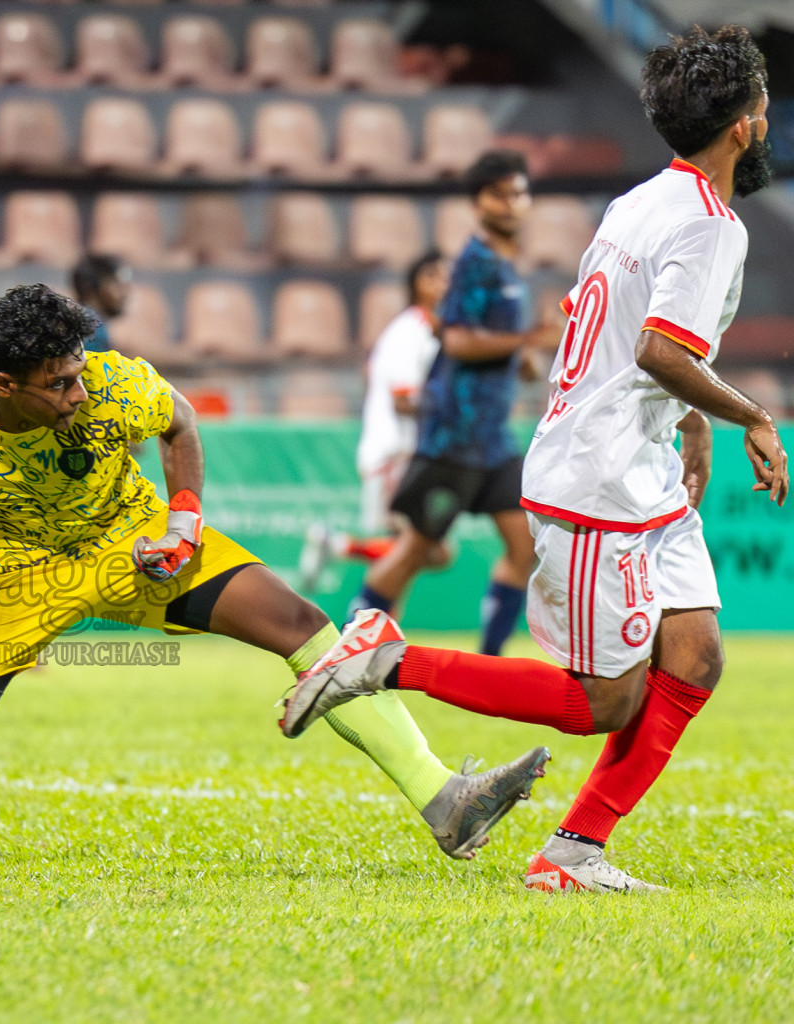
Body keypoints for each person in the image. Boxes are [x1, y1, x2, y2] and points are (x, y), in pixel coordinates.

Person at [0, 284, 552, 872]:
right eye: (59, 385)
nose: (81, 395)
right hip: (10, 582)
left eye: (80, 375)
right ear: (2, 384)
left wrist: (186, 515)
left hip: (132, 546)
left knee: (299, 620)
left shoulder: (109, 382)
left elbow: (182, 420)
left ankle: (447, 801)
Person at [283, 26, 788, 894]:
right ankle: (383, 657)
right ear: (745, 124)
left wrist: (691, 421)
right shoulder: (712, 228)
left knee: (697, 654)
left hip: (642, 469)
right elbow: (660, 350)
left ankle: (572, 853)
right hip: (601, 481)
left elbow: (641, 336)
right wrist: (753, 416)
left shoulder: (643, 200)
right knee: (606, 701)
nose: (769, 113)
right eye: (764, 101)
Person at [348, 151, 558, 655]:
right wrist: (528, 339)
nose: (510, 203)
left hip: (493, 439)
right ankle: (345, 650)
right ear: (477, 201)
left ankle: (488, 660)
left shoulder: (509, 267)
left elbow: (496, 342)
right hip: (455, 435)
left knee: (525, 547)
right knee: (418, 549)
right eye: (498, 193)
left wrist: (522, 357)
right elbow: (461, 342)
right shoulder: (472, 263)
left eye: (518, 192)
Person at [300, 252, 451, 590]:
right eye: (438, 276)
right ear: (419, 283)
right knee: (423, 551)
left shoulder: (425, 331)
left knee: (420, 553)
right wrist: (452, 411)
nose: (447, 283)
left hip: (402, 453)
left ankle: (336, 547)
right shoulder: (410, 332)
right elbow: (404, 401)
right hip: (396, 453)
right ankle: (368, 616)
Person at [69, 253, 131, 354]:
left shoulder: (85, 322)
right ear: (90, 287)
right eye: (117, 285)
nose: (124, 294)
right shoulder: (92, 329)